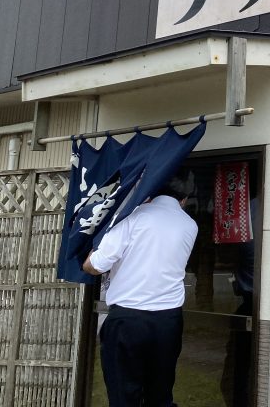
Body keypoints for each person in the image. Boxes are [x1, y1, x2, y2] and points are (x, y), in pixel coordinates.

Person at [83, 174, 198, 407]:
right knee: (160, 395)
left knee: (124, 396)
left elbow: (96, 266)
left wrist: (87, 253)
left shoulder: (133, 217)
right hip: (168, 321)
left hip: (128, 319)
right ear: (184, 199)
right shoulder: (190, 225)